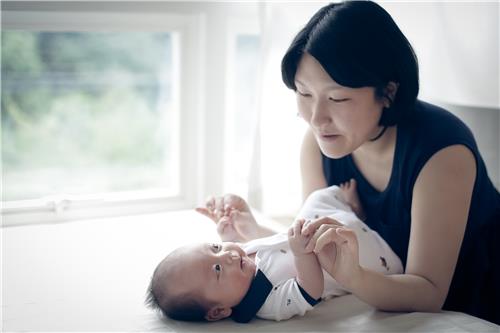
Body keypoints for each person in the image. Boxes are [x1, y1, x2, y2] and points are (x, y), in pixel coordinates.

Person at [199, 1, 500, 324]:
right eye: (304, 93)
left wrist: (353, 276)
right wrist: (254, 232)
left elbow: (429, 292)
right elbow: (317, 243)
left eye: (337, 98)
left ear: (388, 92)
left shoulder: (441, 150)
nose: (316, 118)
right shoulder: (317, 144)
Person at [146, 183, 403, 322]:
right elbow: (309, 290)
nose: (226, 255)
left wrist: (232, 234)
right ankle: (354, 216)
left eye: (215, 248)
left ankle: (350, 209)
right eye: (217, 269)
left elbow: (272, 243)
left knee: (316, 200)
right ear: (219, 311)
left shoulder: (240, 261)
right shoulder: (265, 303)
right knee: (348, 236)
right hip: (341, 258)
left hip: (312, 230)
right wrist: (302, 256)